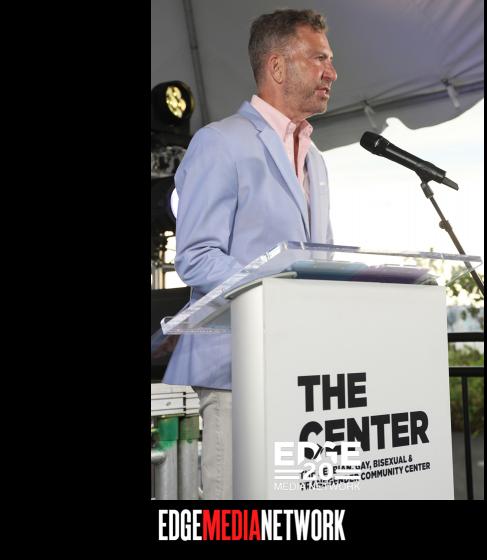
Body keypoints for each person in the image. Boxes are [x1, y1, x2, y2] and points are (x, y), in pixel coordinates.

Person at [162, 8, 337, 500]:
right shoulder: (219, 143)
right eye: (320, 58)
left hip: (298, 368)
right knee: (233, 518)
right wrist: (279, 289)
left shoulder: (316, 159)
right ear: (277, 66)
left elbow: (319, 259)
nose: (332, 72)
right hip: (233, 370)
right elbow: (196, 257)